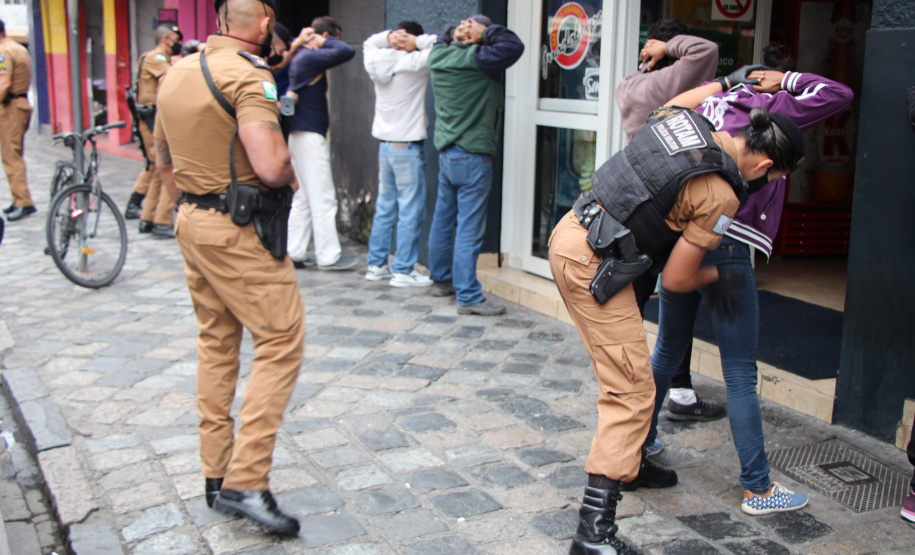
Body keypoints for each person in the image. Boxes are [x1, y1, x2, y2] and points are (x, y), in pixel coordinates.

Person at [552, 105, 804, 554]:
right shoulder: (722, 193)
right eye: (776, 178)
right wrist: (718, 279)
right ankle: (593, 537)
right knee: (631, 394)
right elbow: (675, 279)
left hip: (572, 232)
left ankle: (631, 463)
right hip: (593, 262)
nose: (771, 184)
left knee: (643, 374)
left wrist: (725, 83)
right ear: (765, 165)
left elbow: (665, 107)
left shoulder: (688, 120)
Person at [643, 64, 852, 517]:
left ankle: (640, 444)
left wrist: (725, 82)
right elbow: (840, 94)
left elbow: (665, 111)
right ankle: (758, 488)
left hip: (682, 239)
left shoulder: (714, 100)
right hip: (726, 245)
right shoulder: (775, 109)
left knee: (667, 350)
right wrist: (787, 78)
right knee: (739, 371)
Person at [154, 0, 302, 536]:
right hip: (238, 229)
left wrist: (190, 204)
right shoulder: (247, 77)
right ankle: (247, 480)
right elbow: (271, 165)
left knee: (216, 343)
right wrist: (290, 174)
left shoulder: (177, 71)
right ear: (263, 25)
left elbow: (162, 159)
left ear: (220, 22)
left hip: (192, 218)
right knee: (280, 340)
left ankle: (216, 475)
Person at [614, 19, 727, 434]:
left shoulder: (630, 83)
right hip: (673, 200)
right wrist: (669, 47)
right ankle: (673, 395)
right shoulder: (669, 82)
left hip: (638, 200)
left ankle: (643, 388)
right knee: (676, 298)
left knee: (639, 299)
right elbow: (706, 51)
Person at [426, 15, 524, 315]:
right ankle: (468, 295)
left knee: (443, 220)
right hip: (473, 154)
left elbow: (441, 39)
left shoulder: (438, 56)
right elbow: (513, 46)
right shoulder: (477, 59)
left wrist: (452, 31)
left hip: (448, 154)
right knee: (469, 227)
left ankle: (441, 279)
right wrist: (486, 32)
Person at [362, 21, 436, 287]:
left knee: (385, 207)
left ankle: (376, 265)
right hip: (407, 146)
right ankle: (403, 270)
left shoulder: (376, 59)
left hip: (385, 146)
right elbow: (439, 46)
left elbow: (369, 42)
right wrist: (415, 42)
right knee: (410, 210)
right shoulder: (415, 62)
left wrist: (389, 37)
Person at [285, 16, 356, 270]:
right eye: (333, 38)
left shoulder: (301, 57)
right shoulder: (309, 57)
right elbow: (346, 51)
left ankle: (294, 252)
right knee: (323, 197)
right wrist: (322, 41)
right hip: (309, 135)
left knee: (304, 198)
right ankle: (328, 255)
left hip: (299, 133)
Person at [126, 24, 183, 238]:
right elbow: (174, 77)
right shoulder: (156, 58)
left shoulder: (154, 58)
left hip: (153, 118)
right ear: (167, 39)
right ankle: (161, 220)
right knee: (167, 167)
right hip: (151, 119)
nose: (178, 44)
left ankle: (149, 218)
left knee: (158, 169)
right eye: (176, 39)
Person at [0, 20, 35, 223]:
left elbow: (4, 82)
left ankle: (23, 202)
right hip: (20, 104)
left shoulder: (3, 51)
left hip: (10, 107)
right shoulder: (18, 48)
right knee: (15, 154)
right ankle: (18, 198)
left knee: (11, 157)